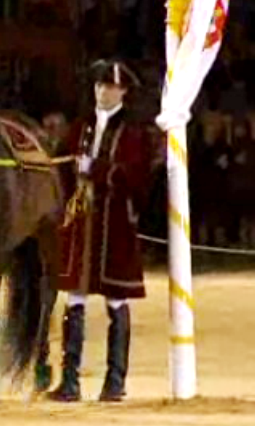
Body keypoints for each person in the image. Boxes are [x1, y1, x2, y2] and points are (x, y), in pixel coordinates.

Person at [48, 59, 154, 403]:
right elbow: (62, 163)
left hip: (115, 226)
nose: (102, 91)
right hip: (83, 224)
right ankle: (69, 380)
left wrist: (95, 169)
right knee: (74, 297)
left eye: (109, 87)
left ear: (122, 91)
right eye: (98, 85)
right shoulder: (82, 126)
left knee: (116, 298)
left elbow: (137, 177)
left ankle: (114, 381)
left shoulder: (134, 132)